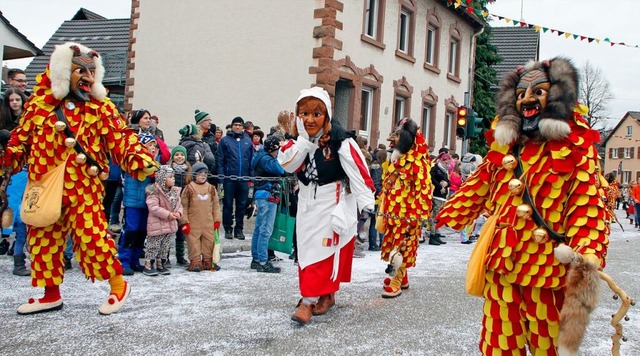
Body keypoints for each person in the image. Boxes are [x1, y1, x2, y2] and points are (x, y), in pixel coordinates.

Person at [436, 57, 609, 355]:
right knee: (498, 343)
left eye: (538, 92)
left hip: (548, 270)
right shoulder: (507, 147)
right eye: (520, 94)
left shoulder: (577, 149)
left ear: (557, 97)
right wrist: (448, 212)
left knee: (547, 346)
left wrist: (586, 252)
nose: (526, 99)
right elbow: (480, 183)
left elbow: (586, 204)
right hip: (502, 265)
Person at [0, 42, 158, 315]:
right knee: (42, 239)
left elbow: (121, 139)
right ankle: (51, 294)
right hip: (44, 185)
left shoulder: (101, 108)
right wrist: (7, 158)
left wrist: (141, 160)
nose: (86, 77)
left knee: (92, 238)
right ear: (62, 72)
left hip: (83, 187)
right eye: (79, 70)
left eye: (91, 71)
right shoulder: (38, 106)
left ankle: (118, 285)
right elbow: (20, 143)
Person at [277, 87, 375, 325]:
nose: (310, 119)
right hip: (307, 202)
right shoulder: (297, 141)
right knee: (307, 249)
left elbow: (359, 171)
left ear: (326, 116)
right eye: (305, 113)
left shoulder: (341, 140)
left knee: (323, 251)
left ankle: (308, 301)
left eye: (316, 114)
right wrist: (304, 141)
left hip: (333, 201)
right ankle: (326, 294)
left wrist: (367, 202)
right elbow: (288, 164)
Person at [378, 118, 432, 298]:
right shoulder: (396, 159)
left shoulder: (418, 162)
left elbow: (423, 191)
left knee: (403, 246)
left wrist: (418, 215)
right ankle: (403, 277)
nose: (392, 139)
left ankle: (397, 280)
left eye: (398, 135)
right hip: (393, 213)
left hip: (409, 215)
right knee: (394, 244)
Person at [119, 133, 159, 276]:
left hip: (146, 203)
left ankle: (135, 259)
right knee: (131, 230)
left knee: (142, 231)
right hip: (133, 202)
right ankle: (124, 260)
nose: (153, 148)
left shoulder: (153, 162)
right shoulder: (134, 160)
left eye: (154, 145)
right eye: (150, 145)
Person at [250, 136, 285, 273]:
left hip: (262, 195)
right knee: (266, 230)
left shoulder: (260, 156)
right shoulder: (267, 159)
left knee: (259, 229)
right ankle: (263, 261)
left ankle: (256, 259)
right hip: (267, 195)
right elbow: (280, 169)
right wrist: (281, 156)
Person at [180, 162, 222, 272]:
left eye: (205, 173)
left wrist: (217, 220)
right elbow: (183, 207)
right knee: (193, 242)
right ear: (194, 175)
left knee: (209, 241)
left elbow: (216, 206)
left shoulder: (211, 189)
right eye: (200, 173)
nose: (203, 176)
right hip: (193, 222)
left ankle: (208, 261)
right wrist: (184, 222)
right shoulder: (189, 189)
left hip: (208, 222)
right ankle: (195, 262)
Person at [217, 116, 253, 240]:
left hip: (243, 178)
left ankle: (239, 229)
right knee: (227, 204)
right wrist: (221, 178)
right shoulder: (225, 141)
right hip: (229, 179)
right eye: (235, 125)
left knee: (241, 205)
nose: (237, 127)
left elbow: (250, 160)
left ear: (243, 127)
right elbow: (220, 160)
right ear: (232, 126)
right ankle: (228, 228)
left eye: (239, 125)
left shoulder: (248, 141)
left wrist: (250, 178)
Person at [144, 165, 183, 276]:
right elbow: (153, 207)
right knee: (154, 245)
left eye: (173, 177)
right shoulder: (154, 191)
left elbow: (180, 205)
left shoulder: (174, 192)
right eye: (170, 177)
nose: (173, 179)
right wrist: (168, 214)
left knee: (165, 246)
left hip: (170, 225)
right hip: (157, 224)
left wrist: (178, 213)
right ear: (163, 178)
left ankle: (161, 263)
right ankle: (148, 264)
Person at [168, 146, 192, 266]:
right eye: (176, 155)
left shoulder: (188, 171)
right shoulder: (169, 170)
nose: (179, 157)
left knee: (181, 233)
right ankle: (165, 257)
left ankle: (180, 256)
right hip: (171, 205)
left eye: (182, 155)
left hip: (183, 206)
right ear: (173, 157)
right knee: (168, 232)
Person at [428, 152, 451, 245]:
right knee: (434, 217)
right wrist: (440, 186)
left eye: (448, 163)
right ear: (441, 160)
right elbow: (432, 179)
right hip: (436, 195)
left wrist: (446, 184)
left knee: (438, 217)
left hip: (442, 197)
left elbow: (449, 182)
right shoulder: (435, 169)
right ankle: (432, 236)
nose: (447, 165)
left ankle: (437, 234)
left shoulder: (444, 171)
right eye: (446, 163)